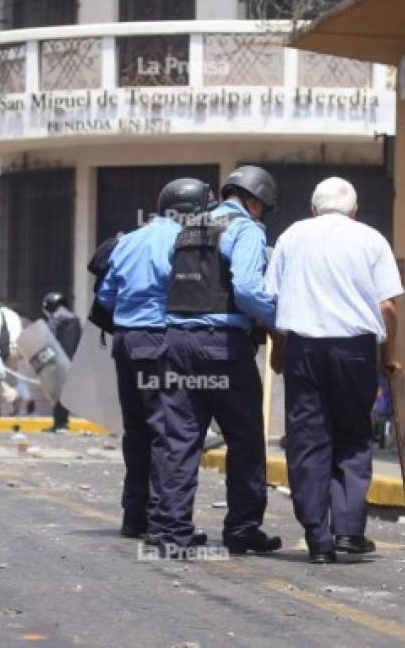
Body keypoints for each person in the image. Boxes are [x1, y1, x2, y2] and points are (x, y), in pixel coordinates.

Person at [265, 177, 404, 563]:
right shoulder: (371, 239)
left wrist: (279, 350)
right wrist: (388, 357)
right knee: (353, 436)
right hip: (354, 350)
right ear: (354, 210)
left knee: (307, 439)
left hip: (303, 348)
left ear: (313, 209)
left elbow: (272, 301)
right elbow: (388, 308)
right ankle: (348, 532)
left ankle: (317, 537)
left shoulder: (292, 236)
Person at [156, 165, 282, 557]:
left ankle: (173, 533)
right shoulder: (246, 230)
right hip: (222, 347)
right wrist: (278, 319)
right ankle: (242, 529)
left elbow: (167, 280)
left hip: (175, 342)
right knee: (244, 438)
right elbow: (246, 288)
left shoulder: (188, 228)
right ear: (256, 200)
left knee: (180, 440)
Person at [95, 178, 207, 540]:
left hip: (125, 342)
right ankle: (165, 523)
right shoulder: (180, 241)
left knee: (137, 431)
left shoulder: (127, 240)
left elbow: (107, 297)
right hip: (158, 339)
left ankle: (135, 516)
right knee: (170, 431)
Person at [41, 292, 81, 433]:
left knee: (57, 393)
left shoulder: (55, 319)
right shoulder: (75, 319)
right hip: (71, 361)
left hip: (57, 361)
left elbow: (49, 339)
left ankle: (59, 423)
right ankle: (62, 422)